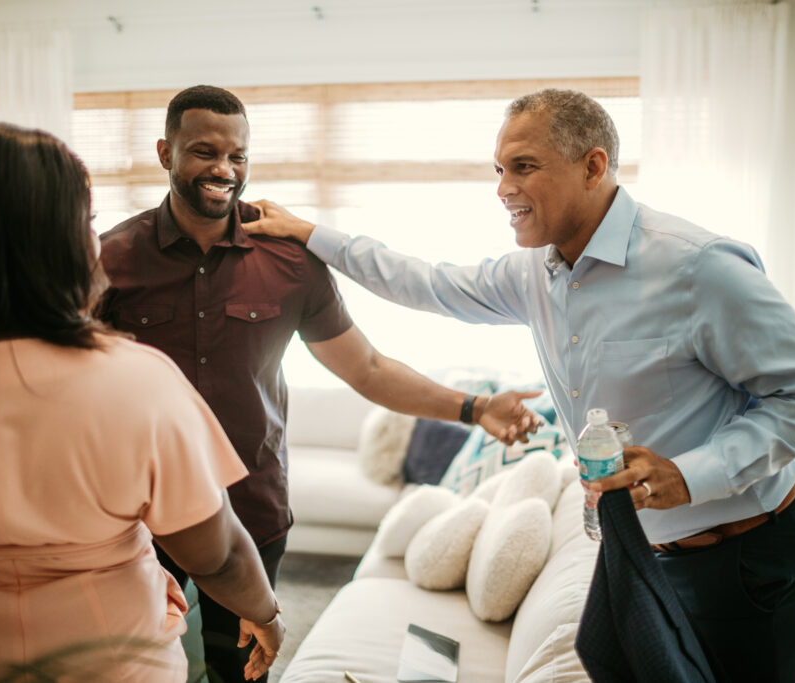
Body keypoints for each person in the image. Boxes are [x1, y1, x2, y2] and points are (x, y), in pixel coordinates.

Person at [246, 88, 795, 682]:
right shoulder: (533, 272)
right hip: (645, 552)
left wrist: (689, 473)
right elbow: (424, 282)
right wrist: (309, 234)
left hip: (753, 556)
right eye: (499, 170)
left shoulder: (698, 267)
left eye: (524, 167)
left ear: (593, 166)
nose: (503, 188)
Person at [96, 85, 541, 683]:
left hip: (249, 507)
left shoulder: (290, 261)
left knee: (239, 670)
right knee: (129, 664)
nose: (224, 170)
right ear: (164, 152)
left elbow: (368, 369)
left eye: (239, 155)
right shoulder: (109, 261)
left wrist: (475, 407)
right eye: (204, 152)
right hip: (136, 513)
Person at [0, 123, 284, 683]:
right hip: (109, 657)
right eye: (88, 223)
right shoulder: (136, 380)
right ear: (61, 245)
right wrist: (265, 612)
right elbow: (216, 553)